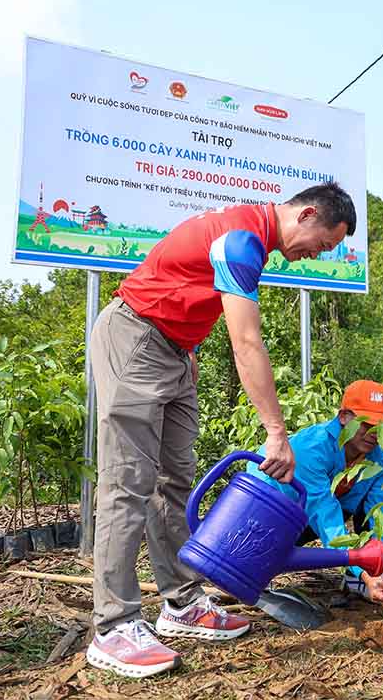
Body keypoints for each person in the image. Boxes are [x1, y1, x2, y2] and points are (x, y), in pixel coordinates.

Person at [87, 183, 357, 678]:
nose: (309, 257)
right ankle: (113, 626)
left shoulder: (249, 238)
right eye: (320, 245)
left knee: (174, 485)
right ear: (309, 214)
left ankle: (182, 603)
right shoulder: (240, 240)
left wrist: (185, 352)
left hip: (174, 351)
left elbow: (188, 291)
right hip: (135, 339)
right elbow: (246, 343)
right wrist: (276, 432)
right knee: (126, 487)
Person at [247, 380, 383, 606]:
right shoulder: (312, 449)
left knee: (370, 510)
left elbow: (382, 517)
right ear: (344, 417)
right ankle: (359, 573)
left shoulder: (381, 459)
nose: (374, 434)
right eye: (366, 424)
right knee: (251, 567)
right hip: (265, 512)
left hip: (311, 514)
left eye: (381, 427)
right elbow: (326, 518)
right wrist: (365, 570)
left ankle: (359, 577)